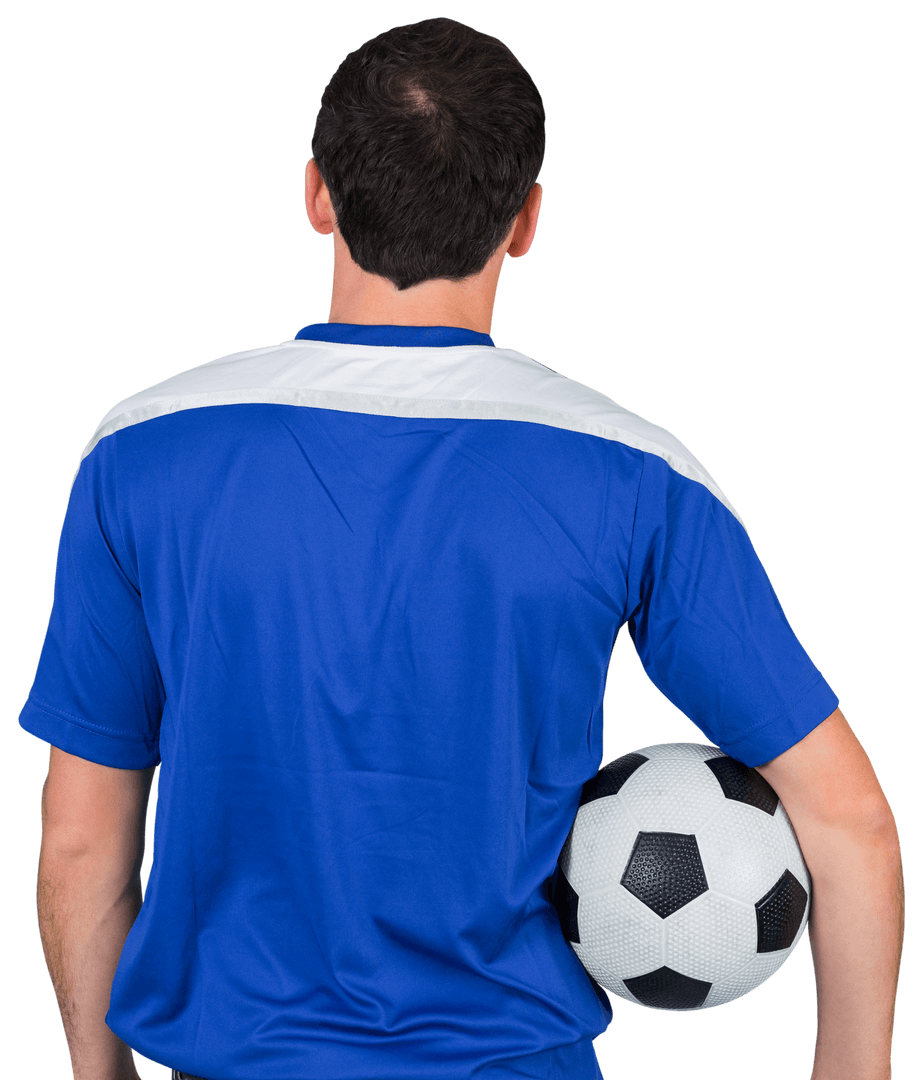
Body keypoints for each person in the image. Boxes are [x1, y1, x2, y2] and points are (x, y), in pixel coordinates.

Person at [21, 16, 902, 1080]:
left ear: (315, 193)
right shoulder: (634, 472)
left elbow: (82, 840)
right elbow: (848, 819)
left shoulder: (142, 450)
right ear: (525, 218)